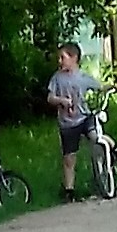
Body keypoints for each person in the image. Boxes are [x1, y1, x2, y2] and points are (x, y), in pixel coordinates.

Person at [48, 41, 98, 201]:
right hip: (67, 123)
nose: (60, 61)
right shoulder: (56, 78)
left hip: (84, 117)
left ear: (74, 58)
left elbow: (99, 87)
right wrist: (60, 100)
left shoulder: (82, 77)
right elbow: (50, 98)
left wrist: (112, 86)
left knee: (95, 136)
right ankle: (69, 190)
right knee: (69, 158)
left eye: (63, 58)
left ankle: (115, 150)